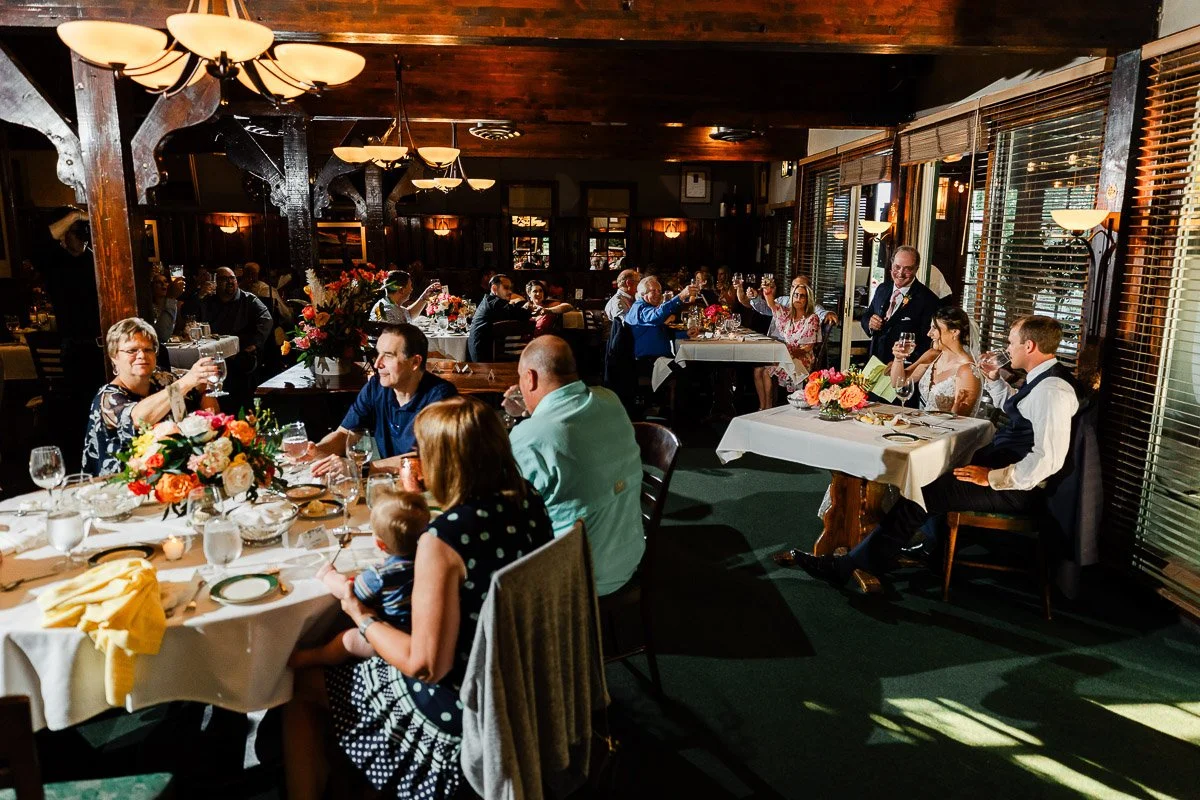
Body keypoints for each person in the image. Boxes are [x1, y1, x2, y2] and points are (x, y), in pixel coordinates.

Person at [283, 396, 553, 800]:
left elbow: (425, 665)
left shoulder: (443, 541)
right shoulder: (527, 500)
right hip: (523, 680)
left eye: (423, 454)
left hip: (461, 712)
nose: (418, 462)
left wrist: (357, 610)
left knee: (302, 682)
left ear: (446, 462)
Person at [782, 315, 1079, 583]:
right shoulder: (1042, 382)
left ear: (1029, 346)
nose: (1007, 348)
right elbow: (1020, 410)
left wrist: (991, 478)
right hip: (1005, 469)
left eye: (1012, 343)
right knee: (931, 474)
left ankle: (848, 566)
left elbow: (1047, 458)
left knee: (923, 491)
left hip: (1020, 490)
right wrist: (996, 382)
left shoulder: (1053, 391)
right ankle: (919, 549)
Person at [504, 336, 644, 595]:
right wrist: (532, 412)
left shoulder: (530, 437)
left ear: (530, 378)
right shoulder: (610, 400)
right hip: (628, 558)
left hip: (577, 579)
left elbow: (501, 508)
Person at [289, 491, 429, 667]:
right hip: (425, 634)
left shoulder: (381, 576)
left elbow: (348, 591)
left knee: (347, 640)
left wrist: (328, 575)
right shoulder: (429, 562)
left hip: (391, 639)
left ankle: (310, 658)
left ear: (380, 544)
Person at [309, 323, 457, 477]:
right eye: (378, 353)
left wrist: (361, 468)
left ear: (415, 362)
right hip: (395, 483)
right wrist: (317, 451)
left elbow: (429, 460)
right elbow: (344, 434)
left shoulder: (441, 397)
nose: (377, 363)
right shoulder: (376, 387)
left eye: (388, 355)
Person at [82, 318, 219, 476]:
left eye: (148, 350)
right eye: (132, 350)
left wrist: (205, 388)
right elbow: (138, 419)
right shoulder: (107, 397)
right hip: (122, 484)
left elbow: (208, 416)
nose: (141, 355)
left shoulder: (164, 381)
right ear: (114, 356)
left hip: (173, 477)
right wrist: (186, 382)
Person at [197, 267, 272, 406]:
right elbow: (191, 317)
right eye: (225, 279)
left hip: (240, 354)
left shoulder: (249, 299)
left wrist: (255, 343)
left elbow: (266, 319)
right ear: (216, 283)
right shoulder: (208, 301)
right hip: (213, 354)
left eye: (233, 278)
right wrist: (200, 296)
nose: (230, 282)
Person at [889, 306, 982, 415]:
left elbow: (960, 419)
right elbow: (898, 383)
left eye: (935, 328)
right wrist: (898, 359)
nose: (929, 333)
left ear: (954, 332)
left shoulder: (967, 370)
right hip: (922, 423)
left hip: (948, 430)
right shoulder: (932, 356)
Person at [861, 245, 939, 364]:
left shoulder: (928, 299)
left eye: (907, 269)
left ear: (916, 269)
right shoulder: (882, 288)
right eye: (897, 267)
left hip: (904, 368)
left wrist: (901, 362)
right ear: (891, 265)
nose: (900, 273)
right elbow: (867, 315)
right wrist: (870, 324)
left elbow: (927, 342)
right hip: (874, 361)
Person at [755, 279, 823, 407]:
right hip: (786, 355)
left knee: (766, 372)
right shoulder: (787, 315)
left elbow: (807, 347)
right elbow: (772, 305)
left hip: (802, 358)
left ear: (807, 299)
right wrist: (767, 291)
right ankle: (762, 407)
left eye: (802, 296)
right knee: (757, 370)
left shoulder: (812, 318)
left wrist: (786, 355)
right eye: (796, 295)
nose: (798, 298)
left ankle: (768, 409)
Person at [625, 276, 698, 359]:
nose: (658, 294)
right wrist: (681, 296)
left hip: (661, 360)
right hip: (650, 362)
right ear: (642, 293)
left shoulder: (648, 307)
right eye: (653, 291)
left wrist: (686, 334)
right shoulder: (639, 309)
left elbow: (661, 333)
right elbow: (656, 315)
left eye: (659, 291)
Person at [467, 273, 532, 362]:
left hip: (483, 354)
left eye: (510, 288)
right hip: (484, 359)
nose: (510, 292)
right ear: (494, 288)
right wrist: (528, 308)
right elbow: (523, 314)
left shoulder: (489, 301)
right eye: (506, 288)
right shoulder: (494, 303)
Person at [370, 269, 442, 325]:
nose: (411, 289)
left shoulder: (389, 304)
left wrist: (424, 297)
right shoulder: (385, 312)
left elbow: (409, 314)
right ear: (401, 290)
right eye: (410, 286)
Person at [148, 271, 186, 344]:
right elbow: (160, 334)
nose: (163, 284)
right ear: (152, 286)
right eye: (158, 282)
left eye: (166, 281)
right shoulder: (148, 307)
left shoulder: (177, 304)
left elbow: (180, 330)